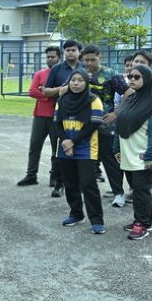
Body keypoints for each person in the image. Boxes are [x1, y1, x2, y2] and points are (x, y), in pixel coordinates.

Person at [113, 65, 152, 240]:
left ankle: (142, 224)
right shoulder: (129, 99)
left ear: (147, 79)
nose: (132, 80)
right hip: (127, 153)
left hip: (144, 155)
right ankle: (143, 220)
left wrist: (151, 157)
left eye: (137, 77)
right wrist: (116, 148)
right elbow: (119, 123)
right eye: (130, 77)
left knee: (141, 190)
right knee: (136, 189)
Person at [53, 68, 106, 233]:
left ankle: (97, 220)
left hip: (86, 148)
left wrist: (72, 141)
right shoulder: (62, 100)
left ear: (86, 82)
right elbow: (57, 123)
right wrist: (66, 142)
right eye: (73, 80)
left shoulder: (93, 100)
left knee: (88, 183)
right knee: (70, 183)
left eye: (80, 80)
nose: (76, 83)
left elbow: (94, 124)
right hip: (64, 148)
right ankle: (76, 213)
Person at [80, 44, 128, 208]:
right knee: (86, 160)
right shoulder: (80, 74)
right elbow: (67, 90)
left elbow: (128, 92)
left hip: (104, 125)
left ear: (100, 57)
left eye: (93, 59)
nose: (89, 63)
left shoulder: (110, 74)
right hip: (83, 125)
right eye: (86, 60)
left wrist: (116, 113)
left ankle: (118, 194)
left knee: (110, 161)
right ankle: (87, 192)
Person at [41, 39, 84, 197]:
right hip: (60, 116)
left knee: (80, 150)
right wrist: (64, 89)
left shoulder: (84, 68)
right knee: (58, 150)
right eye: (67, 50)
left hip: (82, 116)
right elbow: (46, 91)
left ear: (79, 51)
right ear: (64, 52)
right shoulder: (57, 69)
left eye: (73, 50)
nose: (70, 52)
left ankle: (77, 184)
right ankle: (58, 183)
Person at [17, 45, 60, 187]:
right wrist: (49, 94)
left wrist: (48, 91)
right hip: (40, 115)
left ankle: (55, 175)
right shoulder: (40, 74)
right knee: (34, 146)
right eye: (48, 57)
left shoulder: (62, 74)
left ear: (59, 57)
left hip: (56, 116)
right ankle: (31, 175)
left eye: (53, 57)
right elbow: (32, 92)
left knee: (56, 148)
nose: (50, 59)